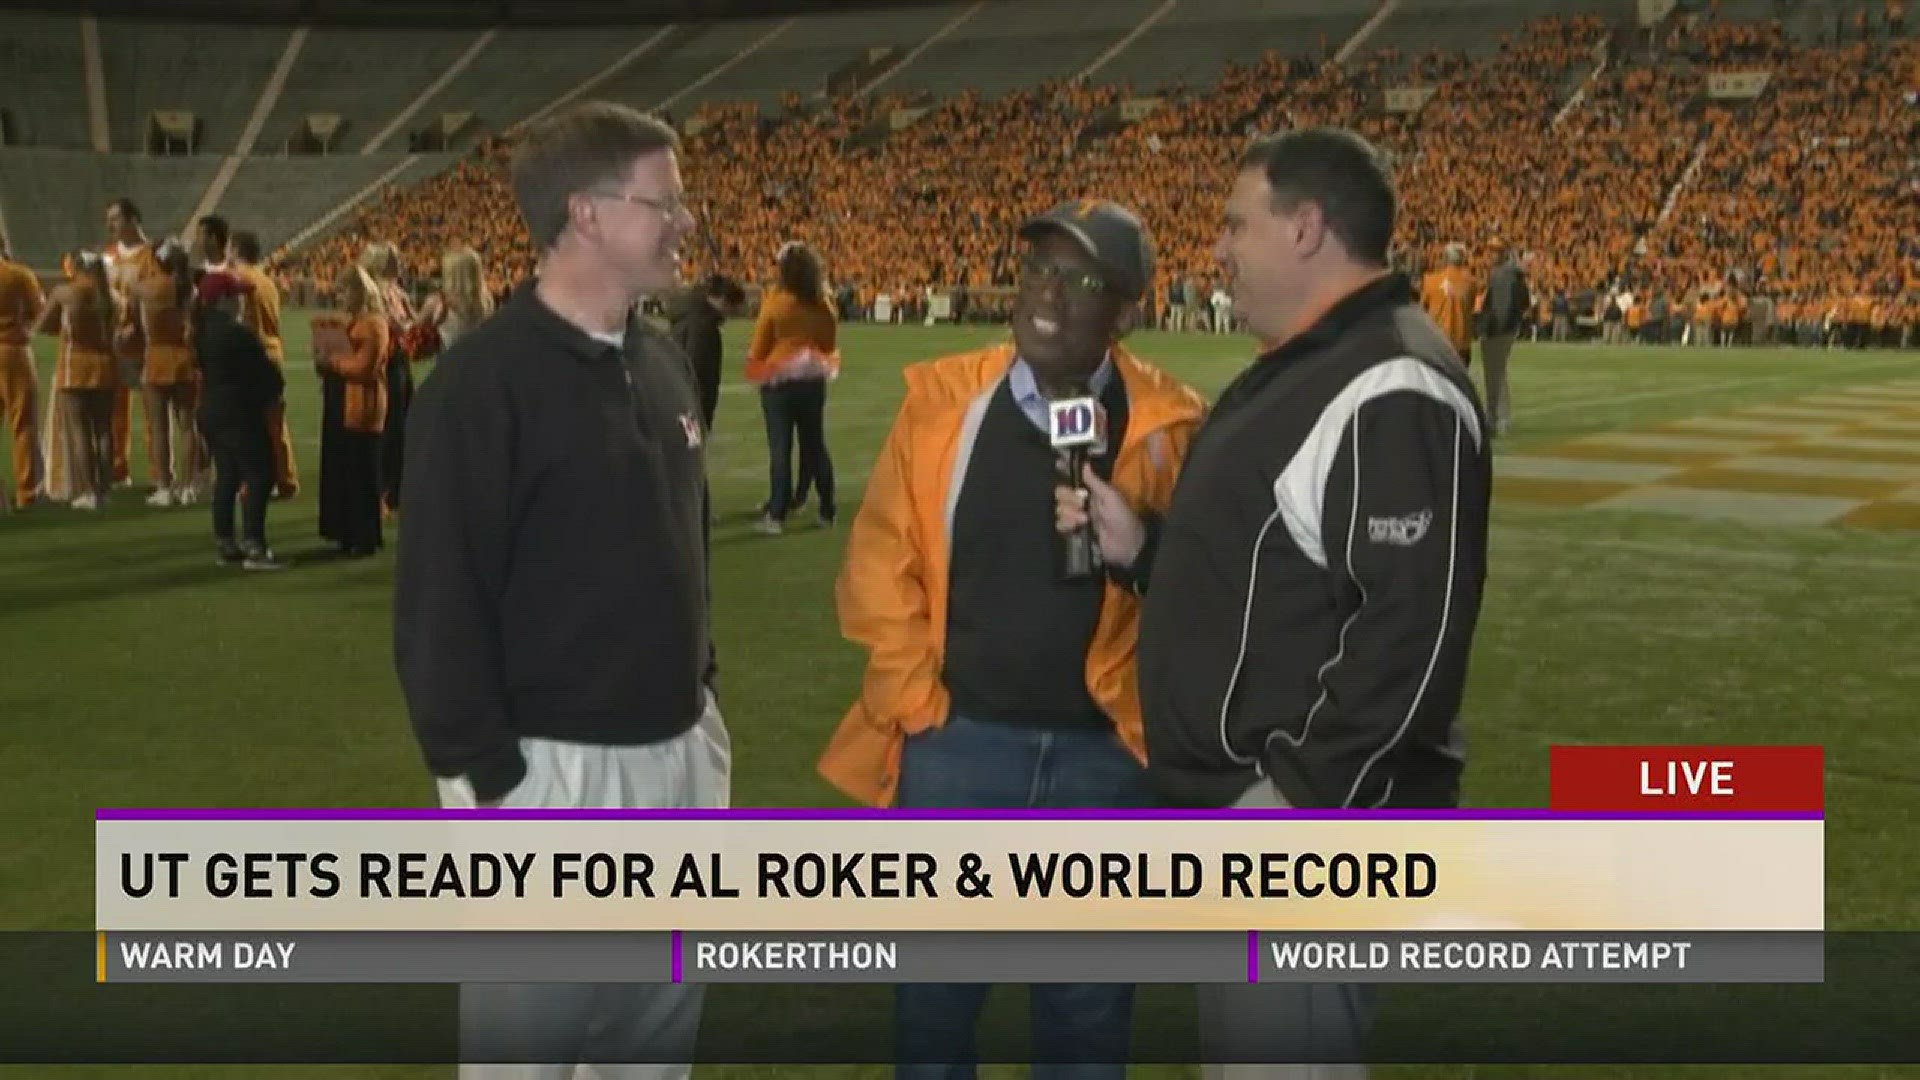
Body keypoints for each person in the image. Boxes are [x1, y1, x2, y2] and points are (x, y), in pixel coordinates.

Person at [1057, 129, 1492, 1079]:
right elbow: (1275, 577)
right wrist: (1146, 551)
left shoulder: (1392, 380)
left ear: (1305, 229)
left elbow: (1407, 638)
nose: (1217, 249)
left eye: (1234, 223)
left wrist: (1294, 800)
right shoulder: (1315, 360)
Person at [820, 199, 1206, 1080]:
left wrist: (1143, 544)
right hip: (960, 747)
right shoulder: (942, 403)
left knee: (1085, 1028)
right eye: (1038, 268)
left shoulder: (1173, 428)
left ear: (1128, 312)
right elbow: (880, 565)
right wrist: (922, 705)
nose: (1048, 292)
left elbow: (1207, 602)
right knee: (934, 1022)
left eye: (1081, 279)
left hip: (1105, 764)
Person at [393, 100, 725, 1080]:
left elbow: (684, 550)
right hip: (554, 775)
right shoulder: (482, 386)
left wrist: (704, 709)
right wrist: (494, 783)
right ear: (584, 213)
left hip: (677, 755)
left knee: (652, 1043)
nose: (684, 222)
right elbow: (436, 610)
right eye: (664, 201)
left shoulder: (660, 359)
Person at [745, 241, 840, 534]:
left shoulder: (775, 302)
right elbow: (828, 344)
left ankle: (777, 513)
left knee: (780, 447)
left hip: (779, 381)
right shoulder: (823, 303)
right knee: (815, 445)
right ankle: (827, 509)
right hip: (813, 379)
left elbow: (759, 347)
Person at [192, 271, 284, 569]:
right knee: (259, 474)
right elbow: (267, 376)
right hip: (240, 412)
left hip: (213, 410)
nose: (242, 302)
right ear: (223, 300)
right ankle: (254, 546)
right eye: (236, 297)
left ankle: (226, 542)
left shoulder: (203, 330)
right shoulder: (237, 333)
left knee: (228, 476)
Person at [35, 253, 119, 510]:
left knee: (80, 429)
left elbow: (42, 324)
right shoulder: (111, 296)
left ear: (78, 268)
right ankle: (105, 491)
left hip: (74, 365)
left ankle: (89, 491)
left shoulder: (65, 293)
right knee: (104, 430)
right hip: (105, 364)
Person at [315, 266, 389, 557]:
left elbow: (364, 367)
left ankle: (365, 536)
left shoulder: (373, 324)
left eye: (345, 291)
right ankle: (347, 532)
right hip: (345, 402)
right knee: (347, 470)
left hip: (362, 405)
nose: (340, 298)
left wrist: (332, 362)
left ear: (360, 292)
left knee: (362, 472)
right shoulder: (357, 321)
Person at [134, 239, 207, 506]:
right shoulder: (189, 289)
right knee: (188, 426)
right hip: (184, 357)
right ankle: (188, 487)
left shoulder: (146, 288)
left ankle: (164, 487)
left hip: (155, 357)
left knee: (159, 428)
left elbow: (133, 319)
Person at [231, 229, 299, 499]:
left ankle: (257, 480)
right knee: (275, 422)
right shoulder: (268, 282)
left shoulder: (241, 281)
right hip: (273, 352)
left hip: (252, 356)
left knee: (250, 424)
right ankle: (286, 478)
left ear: (236, 250)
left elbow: (243, 321)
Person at [359, 241, 416, 512]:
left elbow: (409, 322)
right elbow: (393, 323)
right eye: (393, 258)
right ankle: (384, 489)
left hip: (400, 358)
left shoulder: (395, 290)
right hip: (388, 360)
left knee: (402, 424)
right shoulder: (376, 292)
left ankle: (397, 486)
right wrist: (408, 324)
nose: (399, 261)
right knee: (391, 426)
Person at [105, 197, 155, 489]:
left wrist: (136, 324)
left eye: (115, 218)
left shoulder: (151, 255)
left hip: (145, 342)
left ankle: (159, 470)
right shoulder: (109, 255)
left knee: (154, 411)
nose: (110, 225)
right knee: (115, 411)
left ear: (134, 220)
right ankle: (117, 469)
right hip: (114, 343)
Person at [0, 239, 45, 509]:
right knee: (24, 424)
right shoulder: (19, 275)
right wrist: (28, 329)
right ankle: (28, 493)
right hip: (14, 351)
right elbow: (40, 312)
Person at [669, 272, 746, 429]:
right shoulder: (704, 327)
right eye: (731, 308)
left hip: (676, 400)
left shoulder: (687, 317)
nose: (729, 315)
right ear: (723, 301)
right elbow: (697, 370)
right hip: (690, 408)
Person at [1477, 240, 1529, 438]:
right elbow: (1523, 303)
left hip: (1498, 330)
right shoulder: (1512, 275)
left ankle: (1496, 418)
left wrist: (1492, 327)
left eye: (1494, 252)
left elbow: (1502, 307)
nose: (1490, 255)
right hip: (1505, 329)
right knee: (1497, 374)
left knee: (1494, 375)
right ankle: (1499, 417)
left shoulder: (1503, 275)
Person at [418, 245, 495, 351]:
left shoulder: (437, 302)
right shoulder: (487, 299)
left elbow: (416, 328)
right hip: (480, 358)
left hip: (451, 360)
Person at [1420, 242, 1475, 366]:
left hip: (1438, 341)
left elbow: (1422, 309)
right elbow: (1469, 307)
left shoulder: (1430, 280)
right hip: (1462, 343)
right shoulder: (1470, 282)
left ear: (1445, 258)